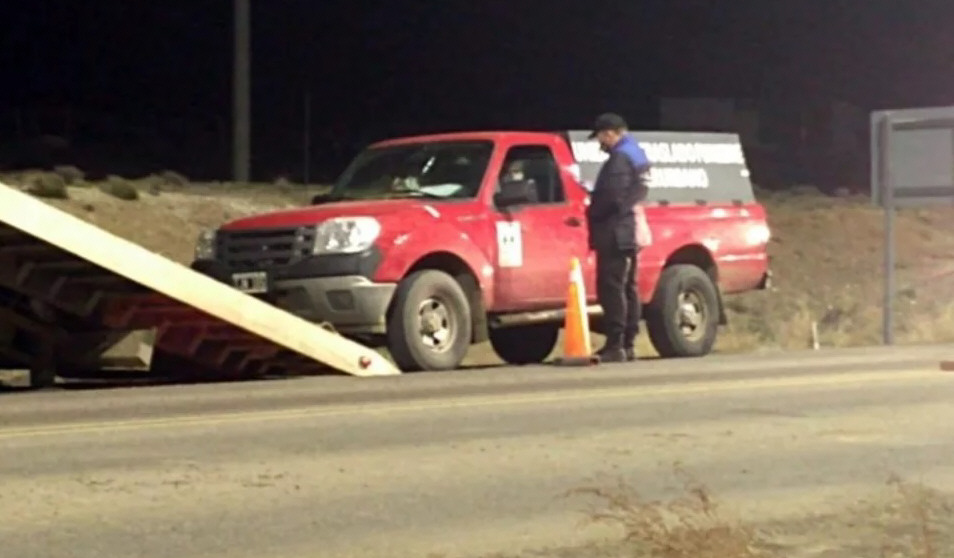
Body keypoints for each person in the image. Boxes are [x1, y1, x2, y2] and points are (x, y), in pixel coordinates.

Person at [584, 112, 651, 363]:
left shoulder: (620, 158)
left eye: (601, 137)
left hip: (615, 231)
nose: (601, 142)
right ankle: (628, 343)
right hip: (628, 229)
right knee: (628, 287)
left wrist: (592, 210)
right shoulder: (636, 153)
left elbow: (612, 197)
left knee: (612, 288)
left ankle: (616, 344)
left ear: (610, 133)